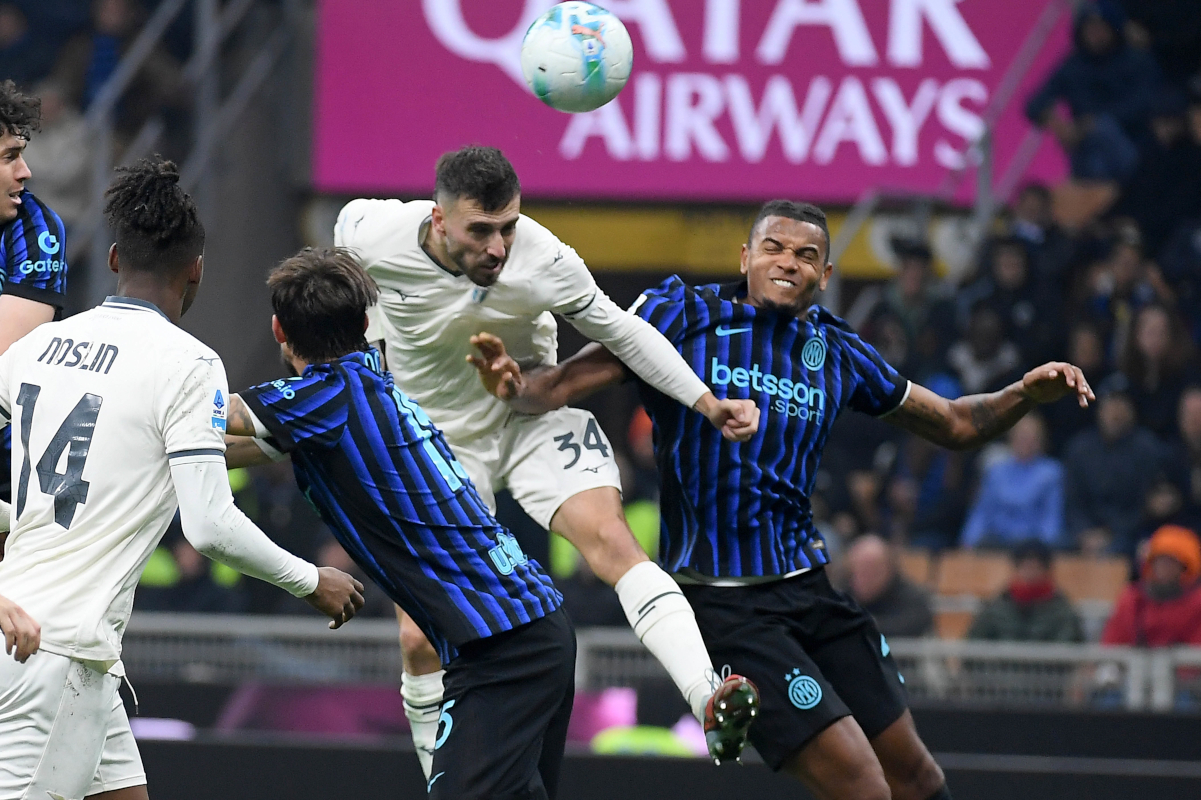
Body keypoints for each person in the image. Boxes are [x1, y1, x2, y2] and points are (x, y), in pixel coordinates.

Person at [468, 199, 1095, 800]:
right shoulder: (681, 315)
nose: (786, 261)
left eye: (804, 254)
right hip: (725, 606)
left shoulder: (838, 350)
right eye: (773, 247)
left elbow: (957, 423)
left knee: (917, 779)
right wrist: (514, 384)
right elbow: (566, 382)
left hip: (814, 593)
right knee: (865, 789)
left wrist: (1024, 394)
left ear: (824, 275)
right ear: (745, 257)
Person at [334, 145, 760, 769]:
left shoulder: (546, 258)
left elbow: (625, 332)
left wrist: (705, 403)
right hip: (434, 443)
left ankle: (707, 696)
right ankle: (438, 778)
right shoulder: (374, 235)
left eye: (507, 228)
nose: (498, 248)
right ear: (438, 219)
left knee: (613, 541)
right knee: (419, 637)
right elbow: (333, 255)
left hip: (525, 415)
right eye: (480, 231)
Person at [0, 158, 364, 800]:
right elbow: (210, 525)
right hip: (59, 652)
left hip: (28, 630)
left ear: (113, 259)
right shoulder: (188, 363)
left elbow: (134, 451)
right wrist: (310, 580)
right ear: (196, 270)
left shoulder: (37, 349)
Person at [219, 247, 625, 799]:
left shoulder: (323, 398)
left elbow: (209, 414)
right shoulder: (365, 386)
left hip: (502, 648)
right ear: (365, 324)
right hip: (529, 631)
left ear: (277, 330)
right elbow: (233, 447)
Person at [1025, 0, 1160, 181]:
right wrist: (1055, 122)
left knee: (1103, 131)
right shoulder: (1074, 65)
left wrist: (1093, 123)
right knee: (1093, 154)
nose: (1095, 34)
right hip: (1086, 150)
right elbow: (1034, 103)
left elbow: (1144, 104)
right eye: (1090, 28)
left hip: (1130, 145)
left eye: (1101, 28)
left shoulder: (1136, 61)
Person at [1064, 383, 1164, 554]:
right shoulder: (1080, 449)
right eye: (1110, 406)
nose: (1115, 413)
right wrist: (1084, 532)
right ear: (1099, 411)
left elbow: (1147, 504)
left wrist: (1112, 533)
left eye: (1121, 406)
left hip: (1129, 533)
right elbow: (1073, 501)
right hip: (1084, 533)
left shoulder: (1147, 449)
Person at [961, 413, 1065, 549]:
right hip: (996, 543)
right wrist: (968, 542)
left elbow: (1052, 519)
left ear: (1040, 442)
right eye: (1021, 437)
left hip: (1032, 547)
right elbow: (981, 512)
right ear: (1011, 439)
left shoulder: (1051, 473)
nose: (1026, 443)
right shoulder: (996, 472)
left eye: (1031, 439)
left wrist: (1044, 549)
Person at [1102, 524, 1201, 646]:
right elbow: (1113, 643)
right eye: (1159, 560)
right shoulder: (1133, 598)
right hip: (1133, 664)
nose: (1163, 567)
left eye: (1171, 562)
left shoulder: (1197, 602)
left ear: (1185, 567)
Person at [967, 540, 1084, 642]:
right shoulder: (994, 609)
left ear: (1046, 571)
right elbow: (974, 646)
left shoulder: (1063, 611)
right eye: (1025, 567)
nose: (1030, 574)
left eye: (1036, 568)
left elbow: (1068, 645)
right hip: (1000, 668)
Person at [845, 535, 934, 638]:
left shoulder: (912, 598)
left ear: (888, 569)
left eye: (872, 571)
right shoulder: (842, 595)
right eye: (859, 571)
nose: (864, 578)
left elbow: (910, 626)